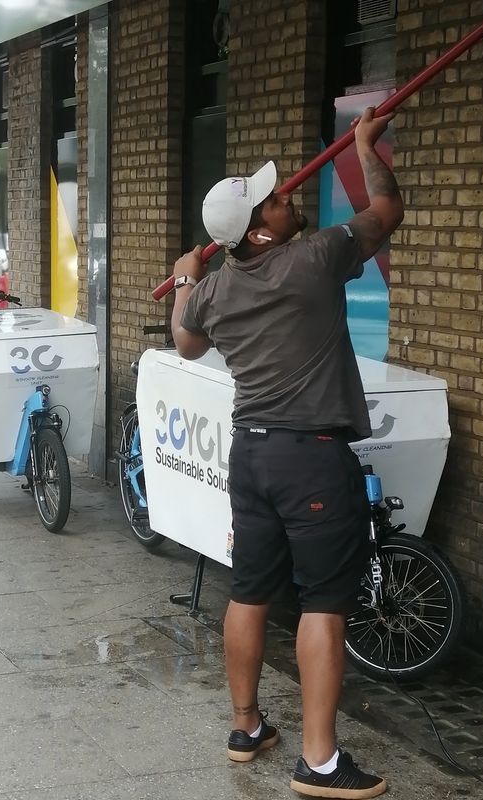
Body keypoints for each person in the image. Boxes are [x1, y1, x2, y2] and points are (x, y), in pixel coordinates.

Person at [170, 107, 403, 799]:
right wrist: (364, 146)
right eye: (275, 199)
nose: (288, 197)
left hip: (253, 457)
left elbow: (184, 341)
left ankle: (247, 729)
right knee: (323, 605)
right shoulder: (317, 256)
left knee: (250, 592)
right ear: (262, 229)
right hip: (312, 460)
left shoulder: (213, 288)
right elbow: (388, 208)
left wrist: (185, 275)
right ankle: (321, 763)